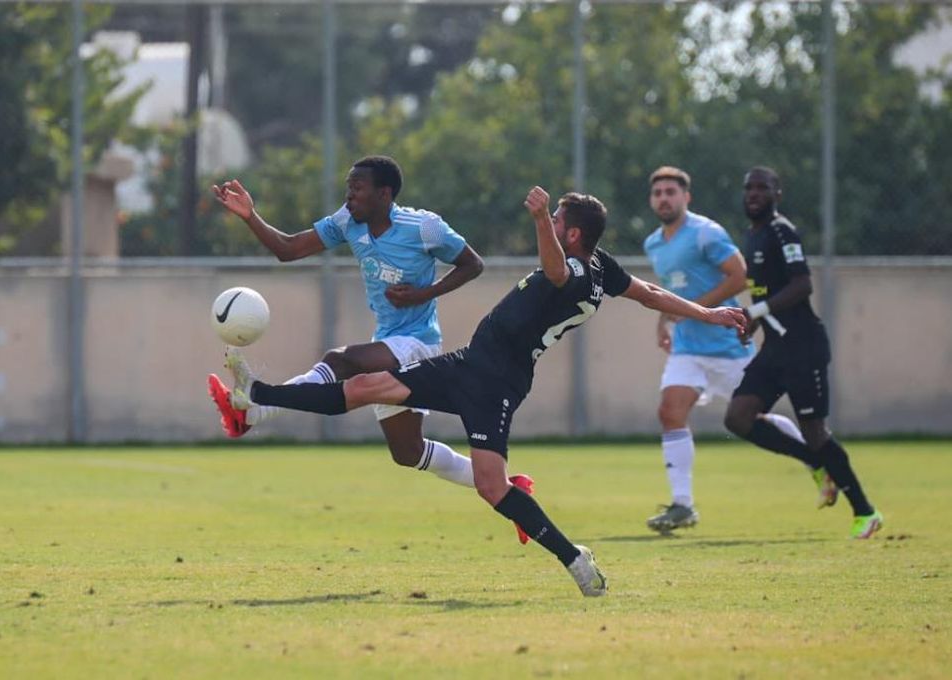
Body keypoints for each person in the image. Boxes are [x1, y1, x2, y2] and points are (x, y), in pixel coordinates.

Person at [210, 186, 747, 596]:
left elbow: (558, 271)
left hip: (496, 384)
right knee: (365, 386)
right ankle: (259, 395)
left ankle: (572, 557)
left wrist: (539, 220)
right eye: (551, 215)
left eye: (559, 218)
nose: (553, 220)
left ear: (574, 233)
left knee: (493, 486)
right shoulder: (604, 267)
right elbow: (650, 293)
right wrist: (709, 312)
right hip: (469, 364)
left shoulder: (578, 270)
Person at [208, 156, 530, 510]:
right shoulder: (348, 222)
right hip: (387, 340)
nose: (349, 197)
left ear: (384, 193)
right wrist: (250, 216)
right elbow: (288, 249)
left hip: (419, 343)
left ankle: (255, 408)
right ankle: (511, 488)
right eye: (348, 188)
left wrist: (424, 294)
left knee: (342, 360)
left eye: (357, 189)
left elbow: (473, 264)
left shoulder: (424, 227)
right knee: (408, 452)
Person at [641, 166, 817, 534]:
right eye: (657, 193)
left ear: (686, 197)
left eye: (671, 191)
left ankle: (817, 457)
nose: (664, 198)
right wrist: (665, 319)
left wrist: (698, 312)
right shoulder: (654, 243)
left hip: (726, 345)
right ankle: (682, 505)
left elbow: (738, 276)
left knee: (755, 419)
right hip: (687, 349)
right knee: (670, 411)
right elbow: (672, 290)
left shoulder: (706, 233)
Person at [723, 166, 883, 539]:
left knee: (815, 430)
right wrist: (754, 324)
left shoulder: (782, 230)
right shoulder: (752, 236)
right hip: (775, 348)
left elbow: (801, 285)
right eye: (748, 188)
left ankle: (866, 511)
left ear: (777, 193)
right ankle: (815, 463)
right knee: (738, 417)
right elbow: (764, 294)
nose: (753, 193)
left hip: (803, 347)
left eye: (762, 188)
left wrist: (757, 313)